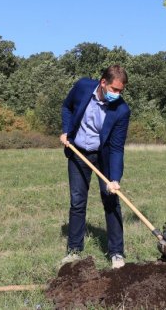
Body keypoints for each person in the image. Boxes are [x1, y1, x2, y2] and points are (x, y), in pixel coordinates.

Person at [59, 65, 131, 269]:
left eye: (121, 91)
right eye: (114, 90)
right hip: (78, 151)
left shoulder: (122, 110)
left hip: (104, 156)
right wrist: (66, 130)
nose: (117, 95)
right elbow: (67, 107)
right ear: (103, 83)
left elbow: (117, 147)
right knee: (77, 201)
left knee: (111, 200)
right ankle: (74, 250)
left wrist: (115, 179)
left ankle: (116, 252)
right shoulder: (82, 87)